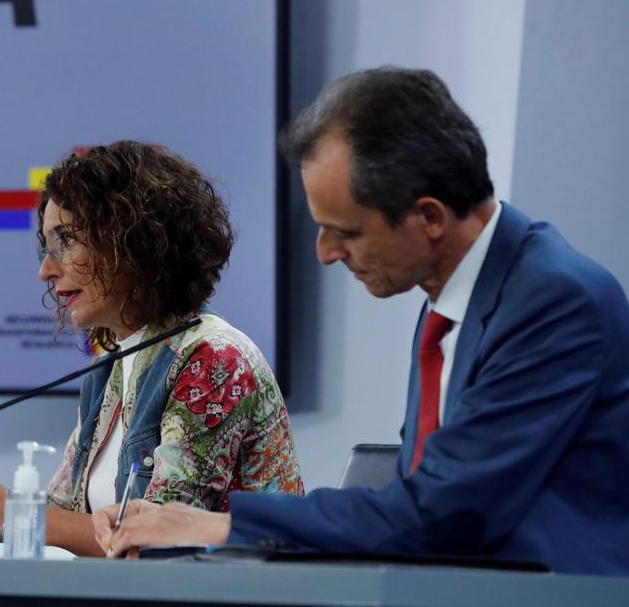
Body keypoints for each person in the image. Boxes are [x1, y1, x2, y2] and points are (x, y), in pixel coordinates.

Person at [94, 67, 629, 575]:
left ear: (429, 217)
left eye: (344, 232)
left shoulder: (554, 301)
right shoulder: (452, 300)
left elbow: (442, 515)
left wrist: (222, 525)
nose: (325, 253)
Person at [0, 141, 304, 557]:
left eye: (68, 240)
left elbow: (154, 543)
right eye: (47, 245)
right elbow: (62, 520)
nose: (46, 269)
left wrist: (2, 504)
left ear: (138, 243)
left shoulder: (215, 361)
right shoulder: (109, 366)